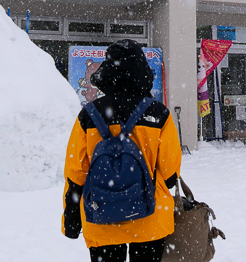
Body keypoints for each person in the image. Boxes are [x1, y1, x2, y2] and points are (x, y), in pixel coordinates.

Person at [62, 39, 182, 262]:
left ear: (106, 71)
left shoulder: (89, 115)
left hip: (102, 216)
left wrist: (71, 218)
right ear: (142, 72)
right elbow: (169, 172)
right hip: (149, 215)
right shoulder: (158, 114)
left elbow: (76, 172)